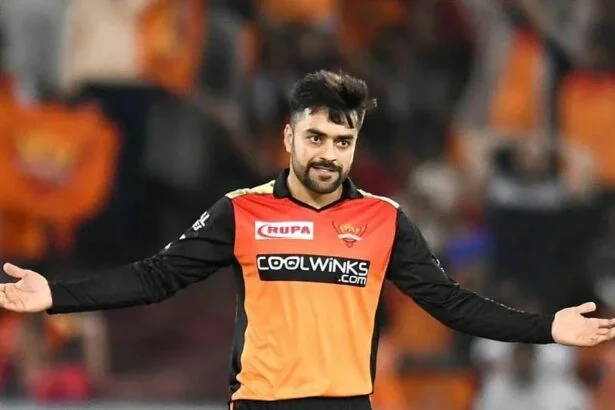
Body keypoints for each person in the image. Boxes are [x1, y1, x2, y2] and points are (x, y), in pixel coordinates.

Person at [0, 70, 614, 410]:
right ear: (290, 139)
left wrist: (547, 328)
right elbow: (156, 276)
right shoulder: (241, 211)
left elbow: (450, 303)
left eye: (342, 142)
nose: (328, 154)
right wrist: (56, 295)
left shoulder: (384, 220)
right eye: (316, 138)